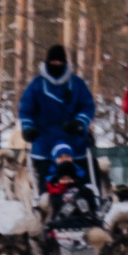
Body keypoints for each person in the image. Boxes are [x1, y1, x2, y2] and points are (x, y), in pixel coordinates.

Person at [17, 44, 96, 177]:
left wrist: (79, 122)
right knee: (44, 173)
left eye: (59, 62)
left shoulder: (77, 84)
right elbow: (25, 109)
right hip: (43, 138)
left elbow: (88, 106)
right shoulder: (36, 85)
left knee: (88, 169)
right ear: (47, 62)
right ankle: (45, 194)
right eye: (53, 62)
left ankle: (89, 194)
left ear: (64, 63)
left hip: (72, 136)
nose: (56, 64)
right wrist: (28, 128)